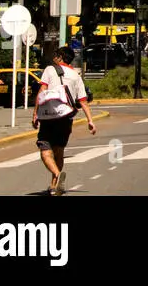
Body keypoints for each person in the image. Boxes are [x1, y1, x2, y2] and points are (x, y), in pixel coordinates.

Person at [32, 45, 96, 196]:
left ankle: (56, 174)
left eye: (56, 55)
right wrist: (90, 121)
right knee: (59, 151)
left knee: (45, 151)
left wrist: (35, 114)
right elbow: (82, 101)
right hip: (66, 118)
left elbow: (42, 92)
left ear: (60, 57)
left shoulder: (49, 69)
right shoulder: (76, 76)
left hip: (48, 116)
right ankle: (54, 186)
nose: (54, 58)